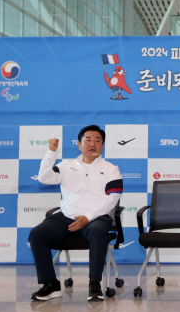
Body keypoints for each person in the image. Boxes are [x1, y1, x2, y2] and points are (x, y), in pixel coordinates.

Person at [29, 125, 123, 301]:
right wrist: (51, 152)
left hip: (96, 217)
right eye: (88, 140)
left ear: (102, 145)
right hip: (66, 216)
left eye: (97, 140)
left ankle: (95, 284)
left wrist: (87, 218)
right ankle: (50, 285)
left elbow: (111, 199)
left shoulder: (111, 169)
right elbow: (44, 178)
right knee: (37, 234)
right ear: (79, 145)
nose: (92, 144)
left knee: (97, 232)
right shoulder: (66, 166)